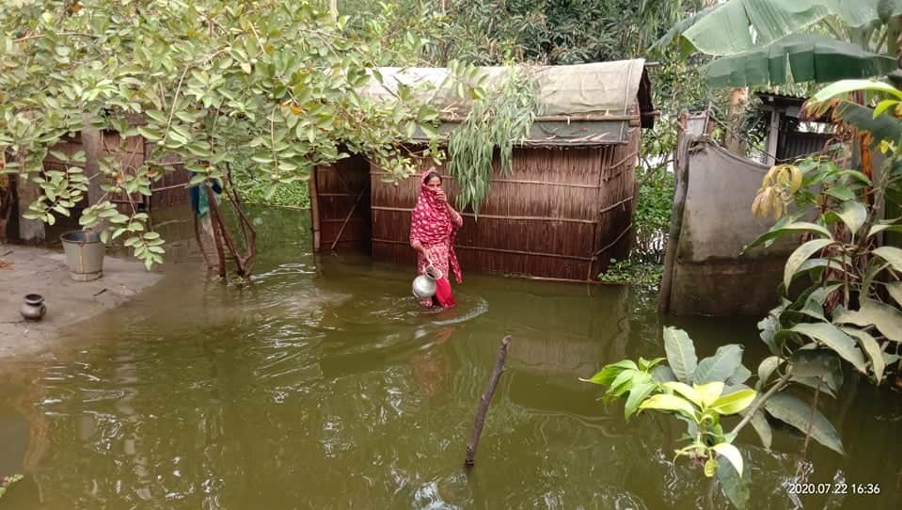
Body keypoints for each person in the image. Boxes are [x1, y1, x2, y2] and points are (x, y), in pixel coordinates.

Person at [409, 169, 463, 308]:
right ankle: (428, 323)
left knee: (443, 293)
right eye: (431, 186)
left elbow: (459, 221)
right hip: (427, 257)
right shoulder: (419, 210)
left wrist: (446, 203)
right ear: (424, 187)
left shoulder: (443, 207)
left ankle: (443, 322)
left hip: (442, 253)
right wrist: (424, 251)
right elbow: (414, 240)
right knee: (427, 294)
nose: (435, 189)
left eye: (438, 185)